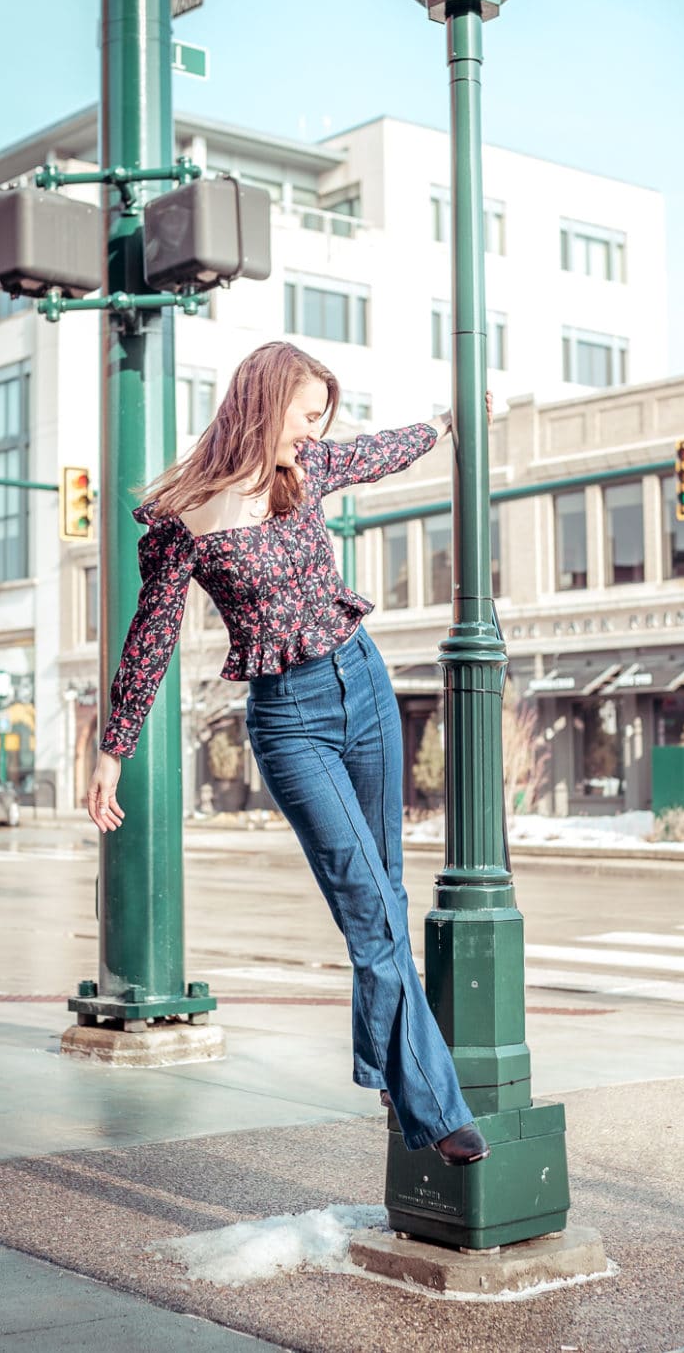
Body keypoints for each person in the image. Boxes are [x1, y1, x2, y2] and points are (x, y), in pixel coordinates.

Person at [86, 341, 492, 1167]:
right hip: (292, 720)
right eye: (307, 417)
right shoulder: (183, 521)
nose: (316, 434)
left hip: (366, 683)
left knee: (389, 892)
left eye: (322, 421)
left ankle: (388, 1067)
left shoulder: (303, 473)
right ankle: (433, 1107)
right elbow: (151, 639)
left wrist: (448, 427)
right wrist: (111, 749)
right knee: (370, 913)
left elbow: (379, 454)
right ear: (264, 407)